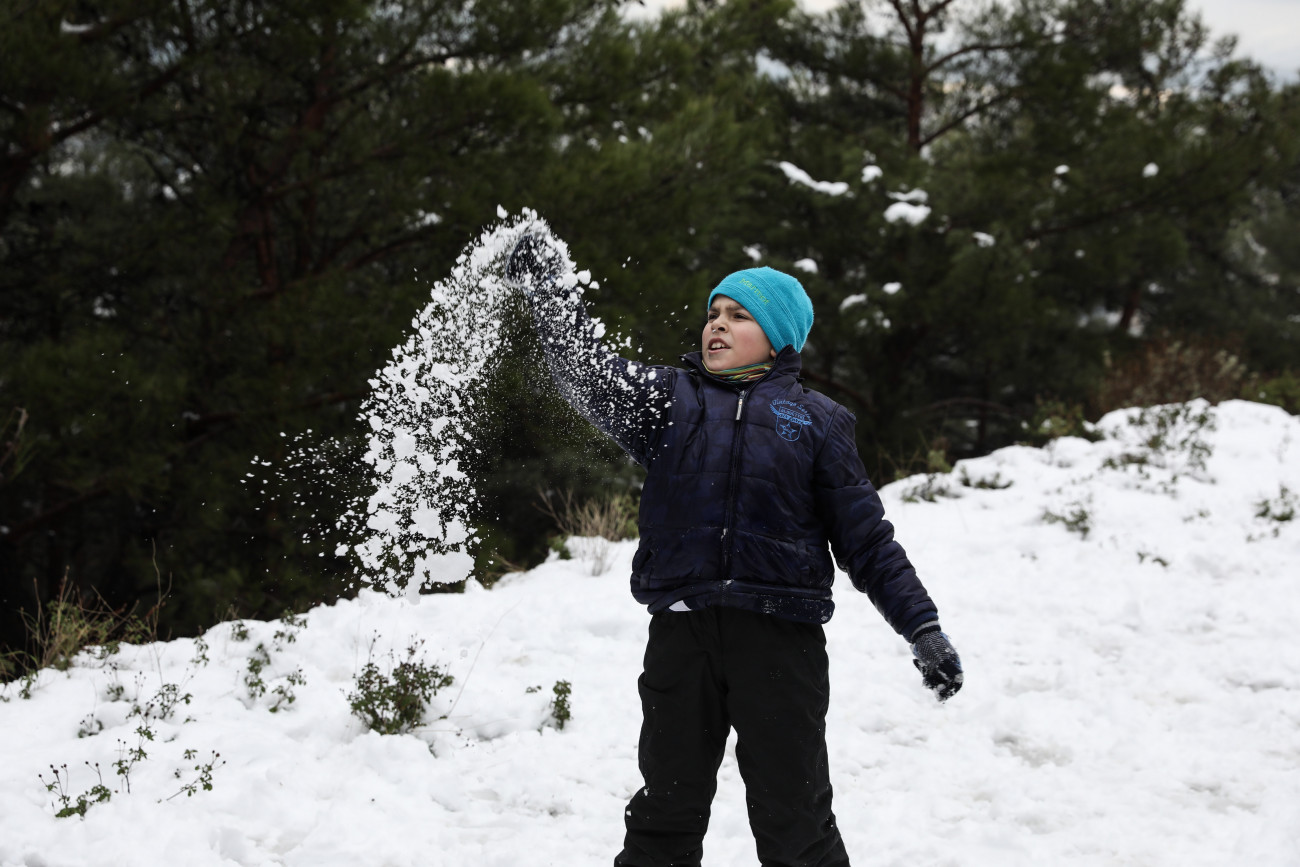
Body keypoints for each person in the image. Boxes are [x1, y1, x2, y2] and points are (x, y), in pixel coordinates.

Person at [503, 227, 962, 867]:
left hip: (780, 641)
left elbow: (866, 539)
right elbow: (587, 369)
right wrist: (549, 294)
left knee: (795, 820)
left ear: (778, 337)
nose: (716, 325)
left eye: (738, 316)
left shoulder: (819, 421)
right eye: (713, 313)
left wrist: (922, 626)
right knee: (664, 811)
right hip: (683, 636)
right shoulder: (670, 400)